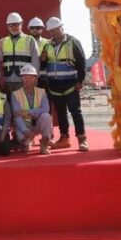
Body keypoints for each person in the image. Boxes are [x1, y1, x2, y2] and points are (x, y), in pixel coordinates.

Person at [42, 17, 88, 152]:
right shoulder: (47, 46)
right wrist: (43, 60)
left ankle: (82, 139)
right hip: (54, 85)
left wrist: (80, 81)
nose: (54, 33)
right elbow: (45, 64)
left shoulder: (73, 42)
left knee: (75, 111)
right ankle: (64, 138)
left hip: (71, 84)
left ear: (62, 28)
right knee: (61, 112)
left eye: (56, 30)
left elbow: (81, 63)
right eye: (51, 31)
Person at [0, 12, 40, 95]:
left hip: (24, 80)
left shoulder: (29, 39)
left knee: (23, 102)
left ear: (21, 24)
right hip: (8, 80)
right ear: (7, 26)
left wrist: (34, 78)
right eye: (11, 25)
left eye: (16, 24)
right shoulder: (3, 41)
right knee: (10, 102)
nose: (14, 27)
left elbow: (35, 61)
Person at [11, 64, 52, 154]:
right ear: (21, 79)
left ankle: (44, 143)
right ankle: (26, 142)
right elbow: (17, 115)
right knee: (22, 141)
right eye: (25, 77)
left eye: (30, 78)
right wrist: (26, 131)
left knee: (46, 116)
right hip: (24, 125)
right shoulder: (15, 94)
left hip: (37, 124)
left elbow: (46, 109)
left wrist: (28, 112)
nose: (27, 80)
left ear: (35, 79)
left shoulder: (42, 92)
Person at [28, 17, 50, 89]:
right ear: (29, 29)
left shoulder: (48, 42)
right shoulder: (25, 42)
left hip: (44, 77)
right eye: (32, 28)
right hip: (29, 76)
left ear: (42, 29)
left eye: (37, 28)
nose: (35, 30)